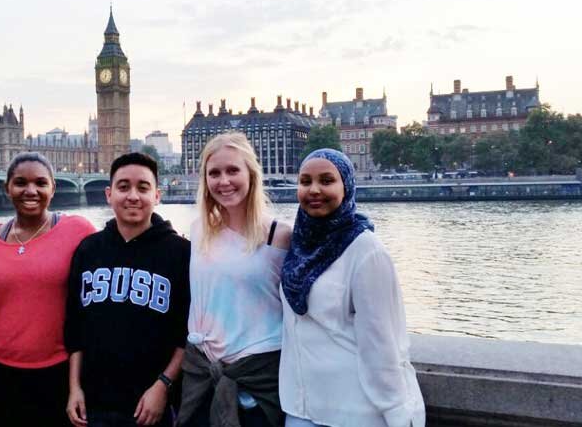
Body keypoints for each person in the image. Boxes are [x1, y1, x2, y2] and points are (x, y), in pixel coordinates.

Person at [280, 149, 425, 427]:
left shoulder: (366, 250)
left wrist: (397, 411)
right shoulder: (298, 244)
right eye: (305, 181)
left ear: (346, 186)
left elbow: (382, 341)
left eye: (326, 180)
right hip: (300, 409)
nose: (314, 190)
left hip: (354, 411)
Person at [64, 152, 190, 427]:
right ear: (109, 194)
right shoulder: (88, 250)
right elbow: (75, 328)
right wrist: (75, 388)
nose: (132, 196)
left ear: (157, 195)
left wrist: (164, 385)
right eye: (123, 187)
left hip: (152, 404)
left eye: (142, 188)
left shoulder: (181, 253)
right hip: (94, 405)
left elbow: (187, 332)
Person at [178, 132, 291, 427]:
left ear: (251, 174)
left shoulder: (280, 236)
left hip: (256, 378)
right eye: (214, 173)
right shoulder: (199, 230)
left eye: (232, 171)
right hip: (202, 373)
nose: (223, 181)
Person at [0, 152, 96, 426]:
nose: (30, 191)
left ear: (53, 188)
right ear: (7, 188)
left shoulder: (77, 229)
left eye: (40, 183)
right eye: (20, 183)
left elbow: (114, 256)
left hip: (57, 372)